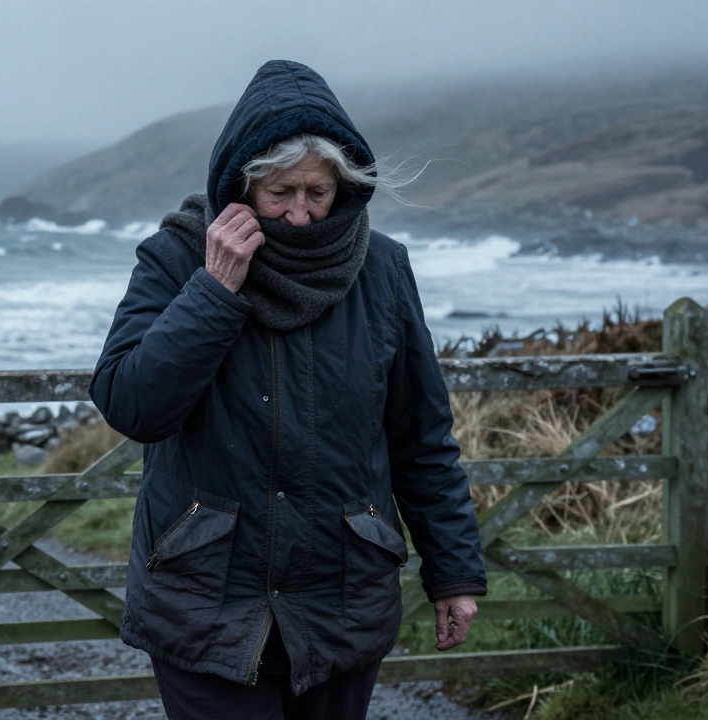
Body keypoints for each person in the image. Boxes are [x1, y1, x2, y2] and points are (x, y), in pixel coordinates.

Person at [89, 60, 487, 720]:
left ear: (345, 187)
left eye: (317, 192)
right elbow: (133, 404)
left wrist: (453, 573)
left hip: (341, 597)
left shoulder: (382, 269)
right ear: (240, 184)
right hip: (204, 600)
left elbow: (421, 435)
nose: (300, 215)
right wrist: (214, 291)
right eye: (280, 193)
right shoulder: (178, 258)